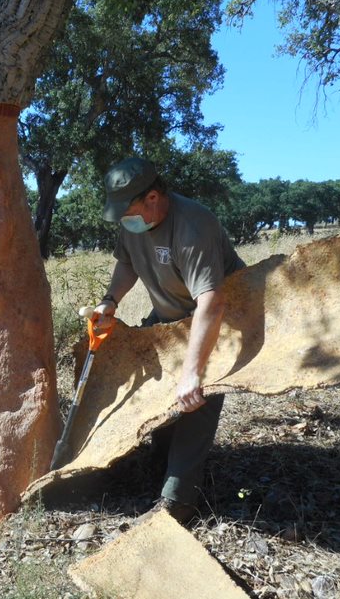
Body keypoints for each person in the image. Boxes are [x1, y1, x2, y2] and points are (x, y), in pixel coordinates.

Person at [93, 157, 245, 524]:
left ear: (153, 198)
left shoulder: (193, 226)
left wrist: (193, 371)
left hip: (221, 320)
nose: (124, 221)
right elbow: (127, 262)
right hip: (168, 319)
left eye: (128, 211)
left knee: (193, 401)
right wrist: (110, 301)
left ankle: (177, 502)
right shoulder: (134, 222)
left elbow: (212, 301)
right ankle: (158, 464)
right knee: (158, 392)